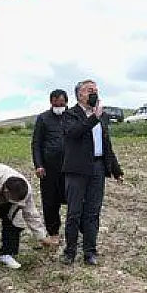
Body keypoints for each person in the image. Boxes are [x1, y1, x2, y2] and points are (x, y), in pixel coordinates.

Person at [60, 79, 124, 266]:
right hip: (77, 169)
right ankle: (70, 251)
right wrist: (93, 117)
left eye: (96, 90)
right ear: (79, 94)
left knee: (93, 212)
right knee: (74, 212)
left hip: (97, 167)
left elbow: (106, 143)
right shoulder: (70, 114)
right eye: (90, 90)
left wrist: (115, 168)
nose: (94, 93)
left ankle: (90, 251)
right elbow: (73, 133)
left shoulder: (101, 116)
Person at [31, 89, 68, 243]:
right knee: (50, 201)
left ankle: (76, 231)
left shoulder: (72, 116)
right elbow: (36, 144)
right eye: (56, 103)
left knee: (73, 198)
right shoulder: (43, 118)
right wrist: (38, 165)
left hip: (70, 167)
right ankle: (53, 232)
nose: (59, 106)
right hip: (48, 169)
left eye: (62, 103)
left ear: (66, 102)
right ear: (51, 102)